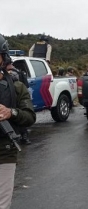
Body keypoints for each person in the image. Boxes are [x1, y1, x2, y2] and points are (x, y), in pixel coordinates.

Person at [0, 35, 36, 209]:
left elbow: (30, 117)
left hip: (4, 154)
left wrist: (11, 113)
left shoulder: (16, 86)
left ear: (3, 58)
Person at [7, 65, 31, 145]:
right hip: (13, 97)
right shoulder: (17, 71)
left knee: (19, 116)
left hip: (15, 97)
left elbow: (29, 117)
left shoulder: (11, 72)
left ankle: (24, 137)